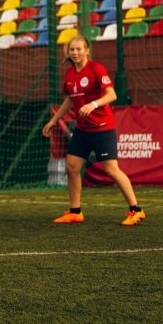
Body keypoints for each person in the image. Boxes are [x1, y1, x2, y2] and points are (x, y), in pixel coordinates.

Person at [41, 34, 146, 226]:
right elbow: (70, 99)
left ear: (87, 50)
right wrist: (55, 119)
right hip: (83, 129)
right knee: (71, 167)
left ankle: (136, 210)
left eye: (79, 49)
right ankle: (75, 212)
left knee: (111, 169)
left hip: (102, 127)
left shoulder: (96, 69)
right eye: (72, 49)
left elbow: (112, 94)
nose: (75, 52)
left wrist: (94, 104)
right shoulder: (70, 73)